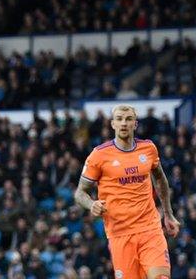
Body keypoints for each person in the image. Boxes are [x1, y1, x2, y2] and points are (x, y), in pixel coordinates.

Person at [73, 105, 180, 279]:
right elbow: (80, 193)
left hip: (150, 229)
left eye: (129, 119)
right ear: (113, 124)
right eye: (120, 119)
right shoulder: (99, 155)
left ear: (135, 124)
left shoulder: (148, 149)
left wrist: (168, 214)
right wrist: (91, 204)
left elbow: (160, 179)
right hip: (120, 234)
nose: (124, 123)